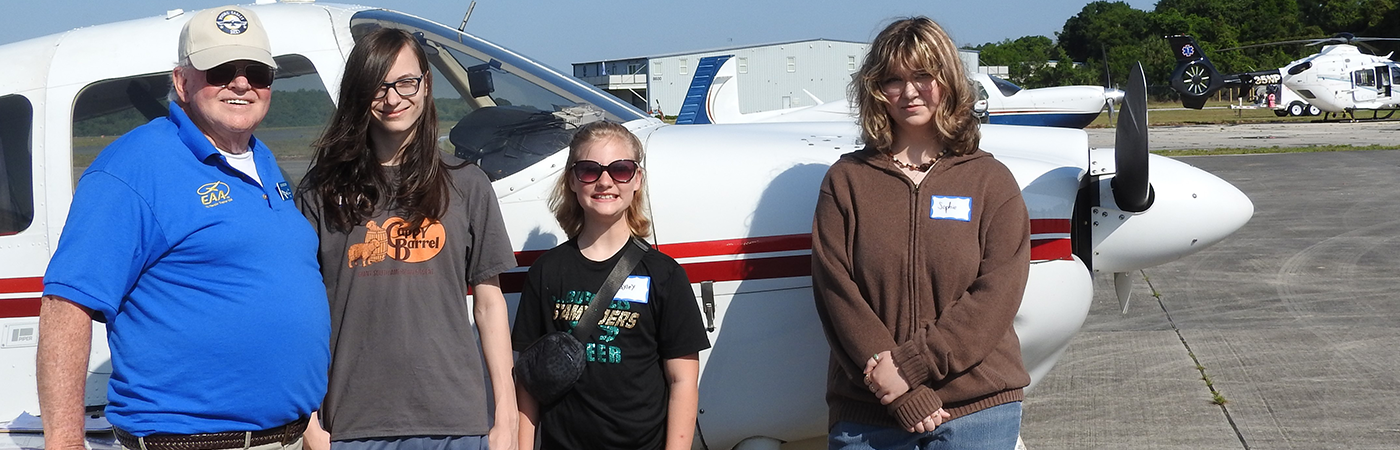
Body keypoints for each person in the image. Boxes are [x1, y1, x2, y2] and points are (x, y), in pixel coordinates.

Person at [38, 6, 328, 450]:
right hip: (191, 440)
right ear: (182, 82)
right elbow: (65, 308)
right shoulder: (133, 167)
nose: (241, 82)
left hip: (283, 437)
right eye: (221, 69)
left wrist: (306, 426)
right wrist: (64, 444)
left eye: (257, 72)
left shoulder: (261, 159)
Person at [811, 16, 1032, 450]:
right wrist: (901, 393)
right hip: (869, 417)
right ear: (875, 90)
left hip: (977, 411)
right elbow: (836, 292)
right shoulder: (846, 180)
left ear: (947, 81)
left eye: (923, 76)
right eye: (893, 79)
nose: (909, 92)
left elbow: (997, 293)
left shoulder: (991, 181)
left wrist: (910, 368)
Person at [294, 27, 519, 450]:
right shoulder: (318, 193)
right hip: (351, 427)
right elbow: (300, 316)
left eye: (406, 82)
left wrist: (504, 417)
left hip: (458, 423)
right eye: (379, 86)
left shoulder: (468, 185)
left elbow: (490, 306)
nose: (394, 98)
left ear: (426, 84)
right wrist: (310, 426)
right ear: (359, 93)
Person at [511, 121, 710, 450]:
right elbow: (528, 381)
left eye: (620, 170)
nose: (605, 181)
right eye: (590, 170)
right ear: (573, 181)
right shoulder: (546, 272)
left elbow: (683, 380)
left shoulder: (664, 274)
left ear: (637, 180)